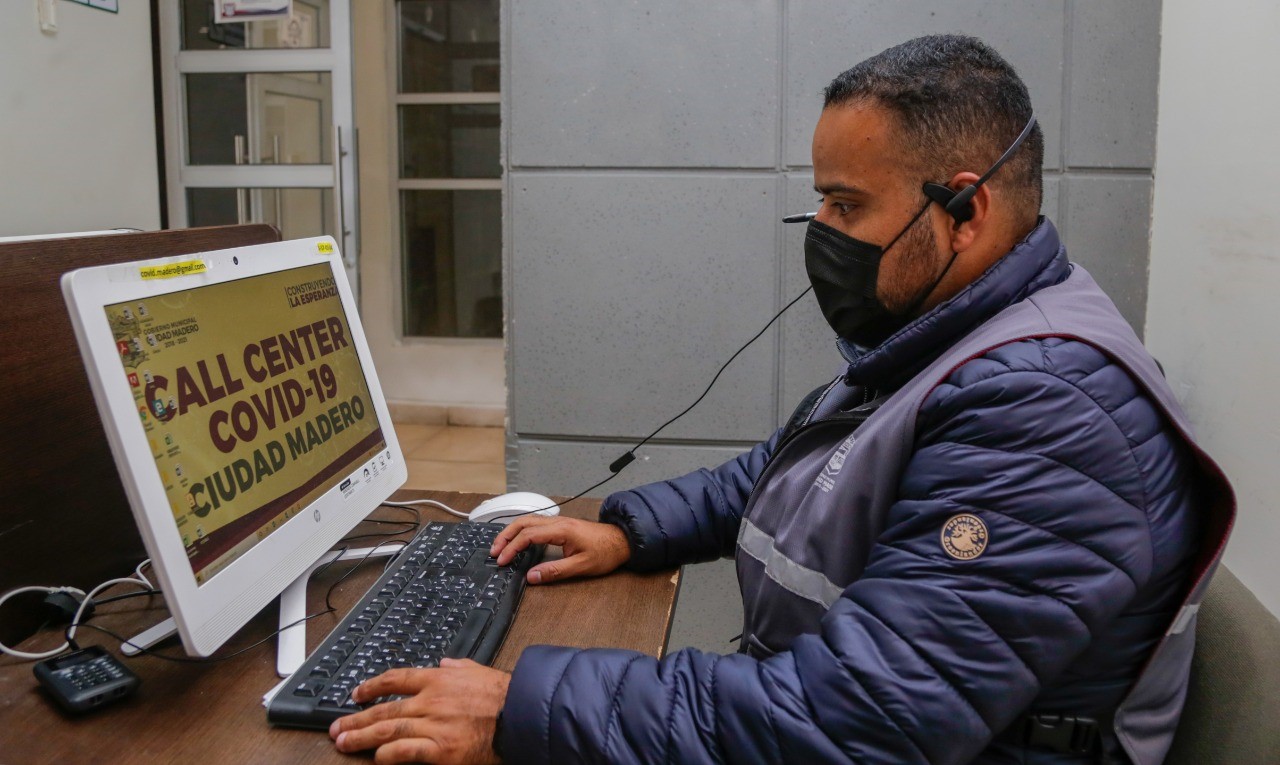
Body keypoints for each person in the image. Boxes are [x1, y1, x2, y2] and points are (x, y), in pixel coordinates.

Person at [328, 35, 1233, 765]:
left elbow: (862, 726)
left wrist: (521, 708)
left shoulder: (1047, 412)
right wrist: (631, 528)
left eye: (846, 204)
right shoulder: (944, 332)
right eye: (821, 204)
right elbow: (793, 468)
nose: (822, 236)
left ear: (966, 211)